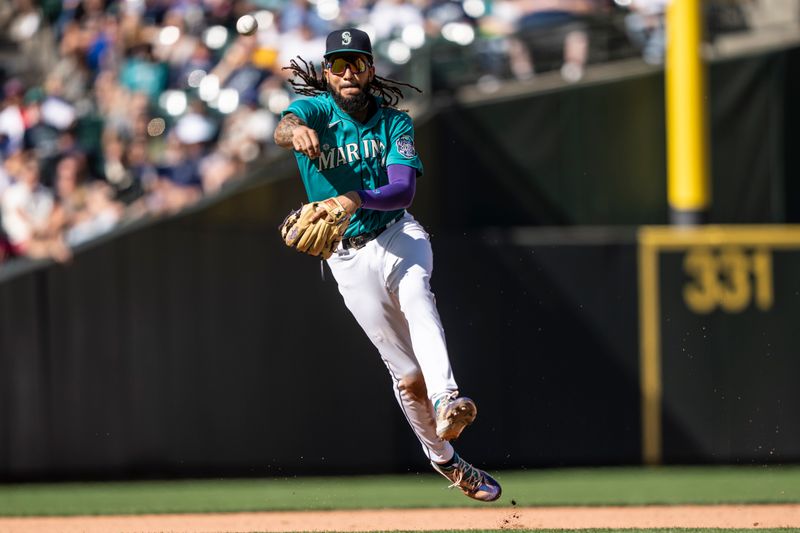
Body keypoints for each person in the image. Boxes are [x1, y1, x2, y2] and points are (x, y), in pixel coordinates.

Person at [273, 28, 501, 502]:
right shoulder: (317, 110)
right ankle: (446, 461)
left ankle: (448, 399)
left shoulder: (395, 123)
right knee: (407, 378)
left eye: (357, 62)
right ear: (328, 72)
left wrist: (352, 198)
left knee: (417, 291)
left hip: (396, 231)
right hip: (347, 257)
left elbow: (402, 190)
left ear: (371, 69)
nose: (348, 72)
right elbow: (284, 125)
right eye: (338, 64)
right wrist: (293, 131)